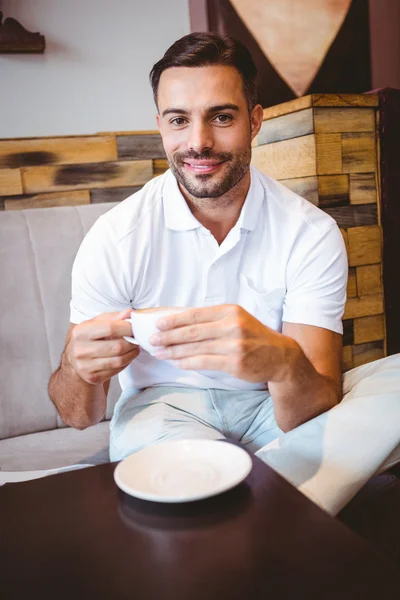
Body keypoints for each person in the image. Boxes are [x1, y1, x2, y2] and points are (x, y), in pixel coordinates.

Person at [48, 32, 348, 462]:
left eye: (222, 117)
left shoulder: (312, 233)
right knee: (201, 484)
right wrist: (76, 368)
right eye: (178, 120)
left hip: (272, 403)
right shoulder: (115, 237)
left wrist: (285, 363)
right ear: (160, 127)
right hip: (163, 406)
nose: (198, 142)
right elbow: (79, 416)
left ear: (255, 120)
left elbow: (315, 407)